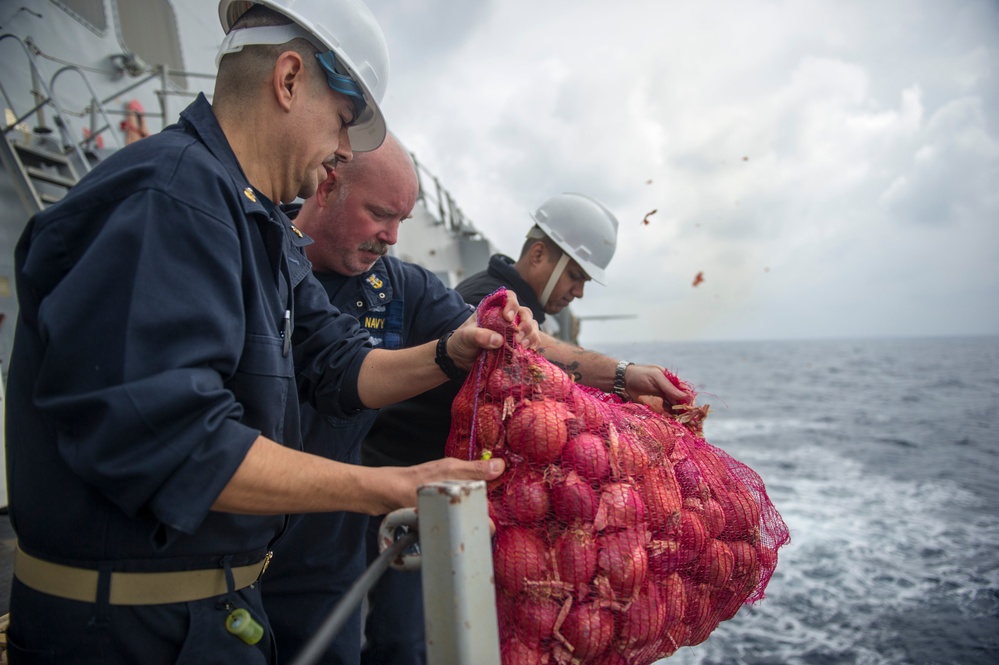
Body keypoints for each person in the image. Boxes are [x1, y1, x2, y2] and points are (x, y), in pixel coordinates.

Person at [2, 1, 538, 662]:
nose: (343, 149)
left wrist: (448, 353)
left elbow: (338, 366)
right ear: (287, 80)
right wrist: (392, 485)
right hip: (127, 629)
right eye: (344, 121)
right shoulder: (166, 201)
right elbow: (180, 446)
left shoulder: (258, 228)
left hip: (211, 612)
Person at [357, 193, 692, 664]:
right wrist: (620, 376)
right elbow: (531, 361)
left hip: (444, 491)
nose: (578, 291)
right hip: (408, 488)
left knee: (428, 634)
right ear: (539, 254)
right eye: (575, 274)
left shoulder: (518, 302)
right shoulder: (484, 297)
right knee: (406, 641)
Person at [261, 133, 476, 664]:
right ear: (327, 183)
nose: (392, 237)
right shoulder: (255, 257)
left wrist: (617, 378)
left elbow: (353, 370)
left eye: (403, 220)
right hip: (229, 552)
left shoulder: (401, 288)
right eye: (380, 213)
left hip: (325, 562)